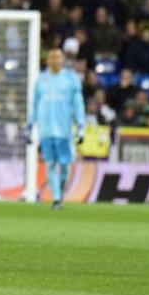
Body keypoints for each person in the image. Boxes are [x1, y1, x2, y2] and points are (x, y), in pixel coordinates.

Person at [28, 48, 84, 210]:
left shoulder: (71, 79)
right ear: (48, 60)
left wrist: (81, 126)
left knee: (65, 167)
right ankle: (57, 198)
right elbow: (35, 105)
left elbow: (78, 105)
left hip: (64, 132)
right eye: (52, 57)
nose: (55, 60)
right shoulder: (41, 80)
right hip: (46, 131)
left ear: (63, 60)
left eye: (58, 57)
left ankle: (60, 192)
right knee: (50, 164)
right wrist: (30, 126)